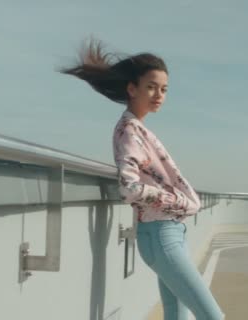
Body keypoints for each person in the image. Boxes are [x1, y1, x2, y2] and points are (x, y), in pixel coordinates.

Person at [60, 38, 225, 320]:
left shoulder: (138, 130)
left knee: (176, 313)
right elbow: (130, 188)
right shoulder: (128, 131)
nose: (159, 94)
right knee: (212, 316)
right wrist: (179, 201)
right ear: (132, 88)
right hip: (161, 235)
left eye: (163, 89)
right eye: (151, 87)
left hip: (169, 232)